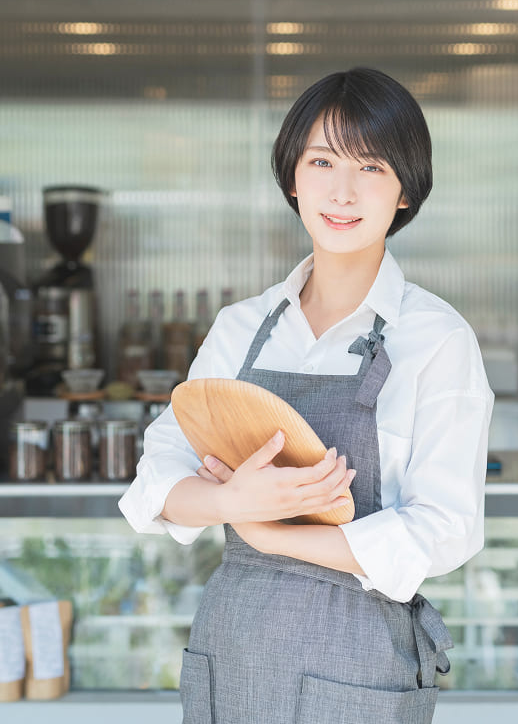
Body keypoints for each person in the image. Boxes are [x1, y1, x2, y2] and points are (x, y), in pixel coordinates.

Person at [119, 66, 495, 724]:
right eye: (322, 160)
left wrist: (271, 532)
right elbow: (156, 476)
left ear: (406, 188)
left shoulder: (436, 339)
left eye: (371, 166)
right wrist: (231, 500)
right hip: (231, 650)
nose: (343, 190)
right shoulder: (241, 328)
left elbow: (447, 528)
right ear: (292, 177)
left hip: (361, 662)